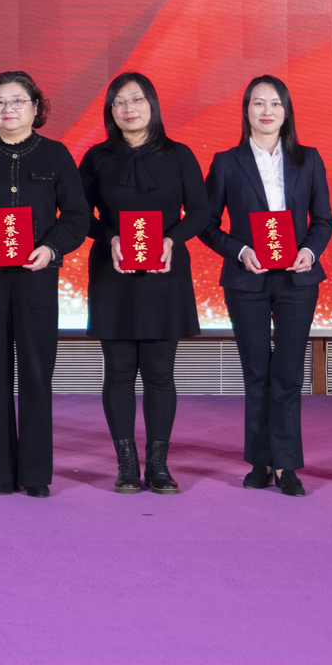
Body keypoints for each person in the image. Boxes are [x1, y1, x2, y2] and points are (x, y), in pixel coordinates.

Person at [0, 70, 89, 496]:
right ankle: (0, 473)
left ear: (35, 107)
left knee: (36, 373)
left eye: (17, 101)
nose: (8, 109)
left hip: (36, 277)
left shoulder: (55, 155)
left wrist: (52, 248)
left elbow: (77, 215)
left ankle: (36, 474)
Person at [200, 75, 332, 498]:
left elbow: (323, 220)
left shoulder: (308, 159)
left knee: (289, 373)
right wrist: (240, 251)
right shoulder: (227, 161)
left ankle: (287, 465)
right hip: (247, 279)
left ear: (287, 110)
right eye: (258, 103)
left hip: (297, 278)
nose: (267, 111)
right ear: (246, 110)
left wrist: (309, 251)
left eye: (275, 103)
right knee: (257, 372)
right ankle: (260, 461)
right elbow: (206, 224)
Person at [78, 72, 209, 495]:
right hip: (113, 273)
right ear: (110, 111)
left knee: (159, 372)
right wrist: (111, 238)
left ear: (152, 104)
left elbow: (202, 212)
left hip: (164, 275)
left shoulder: (179, 155)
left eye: (136, 100)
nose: (128, 109)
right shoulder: (97, 158)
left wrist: (172, 240)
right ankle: (126, 464)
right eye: (118, 102)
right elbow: (79, 215)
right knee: (117, 372)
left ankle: (158, 464)